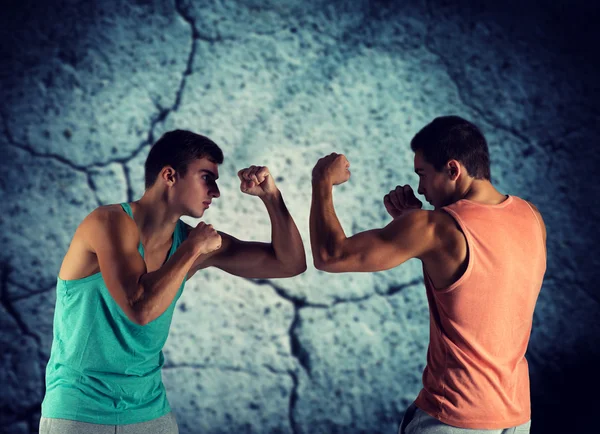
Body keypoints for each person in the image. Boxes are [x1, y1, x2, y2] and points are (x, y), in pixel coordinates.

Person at [39, 130, 307, 434]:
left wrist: (272, 198)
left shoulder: (190, 241)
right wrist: (191, 249)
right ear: (169, 175)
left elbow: (290, 263)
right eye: (207, 177)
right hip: (79, 412)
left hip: (151, 413)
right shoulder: (107, 222)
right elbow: (140, 309)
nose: (216, 192)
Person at [309, 116, 546, 434]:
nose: (420, 188)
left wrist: (321, 181)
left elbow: (330, 255)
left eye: (422, 174)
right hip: (515, 418)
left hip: (453, 418)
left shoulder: (434, 227)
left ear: (452, 169)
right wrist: (414, 222)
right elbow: (486, 282)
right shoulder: (531, 217)